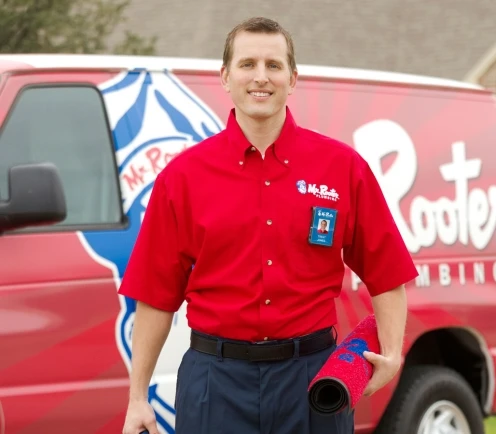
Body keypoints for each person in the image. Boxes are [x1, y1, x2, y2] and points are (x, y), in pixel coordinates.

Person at [120, 16, 418, 434]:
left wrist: (391, 352)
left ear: (293, 79)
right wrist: (137, 398)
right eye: (247, 64)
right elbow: (154, 295)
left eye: (274, 66)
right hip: (214, 384)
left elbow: (387, 272)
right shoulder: (183, 176)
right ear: (225, 76)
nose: (261, 77)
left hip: (312, 381)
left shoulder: (343, 168)